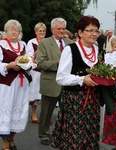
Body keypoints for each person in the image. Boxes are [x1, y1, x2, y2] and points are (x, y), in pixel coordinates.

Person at [50, 15, 101, 150]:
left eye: (96, 30)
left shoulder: (97, 49)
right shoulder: (70, 49)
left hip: (93, 100)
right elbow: (60, 78)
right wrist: (82, 79)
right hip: (75, 101)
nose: (94, 34)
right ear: (80, 32)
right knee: (75, 138)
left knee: (90, 136)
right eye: (90, 30)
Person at [36, 17, 73, 146]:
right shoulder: (44, 43)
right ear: (52, 29)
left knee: (68, 112)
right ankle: (44, 134)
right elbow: (40, 63)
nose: (61, 31)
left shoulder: (71, 43)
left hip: (68, 83)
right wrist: (59, 63)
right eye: (59, 28)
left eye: (63, 28)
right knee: (46, 112)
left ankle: (64, 134)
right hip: (50, 82)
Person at [0, 19, 31, 150]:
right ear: (6, 32)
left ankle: (12, 138)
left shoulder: (23, 45)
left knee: (18, 111)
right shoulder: (1, 45)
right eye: (10, 29)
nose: (13, 31)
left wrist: (28, 64)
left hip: (21, 85)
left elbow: (30, 61)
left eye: (16, 29)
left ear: (19, 32)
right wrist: (9, 65)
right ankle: (5, 142)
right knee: (7, 110)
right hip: (7, 85)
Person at [26, 22, 47, 124]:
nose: (42, 32)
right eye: (40, 31)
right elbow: (30, 57)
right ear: (36, 32)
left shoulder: (48, 42)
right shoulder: (31, 42)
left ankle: (44, 115)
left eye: (43, 31)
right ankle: (34, 113)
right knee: (34, 94)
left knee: (46, 94)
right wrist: (39, 48)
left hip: (46, 70)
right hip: (36, 71)